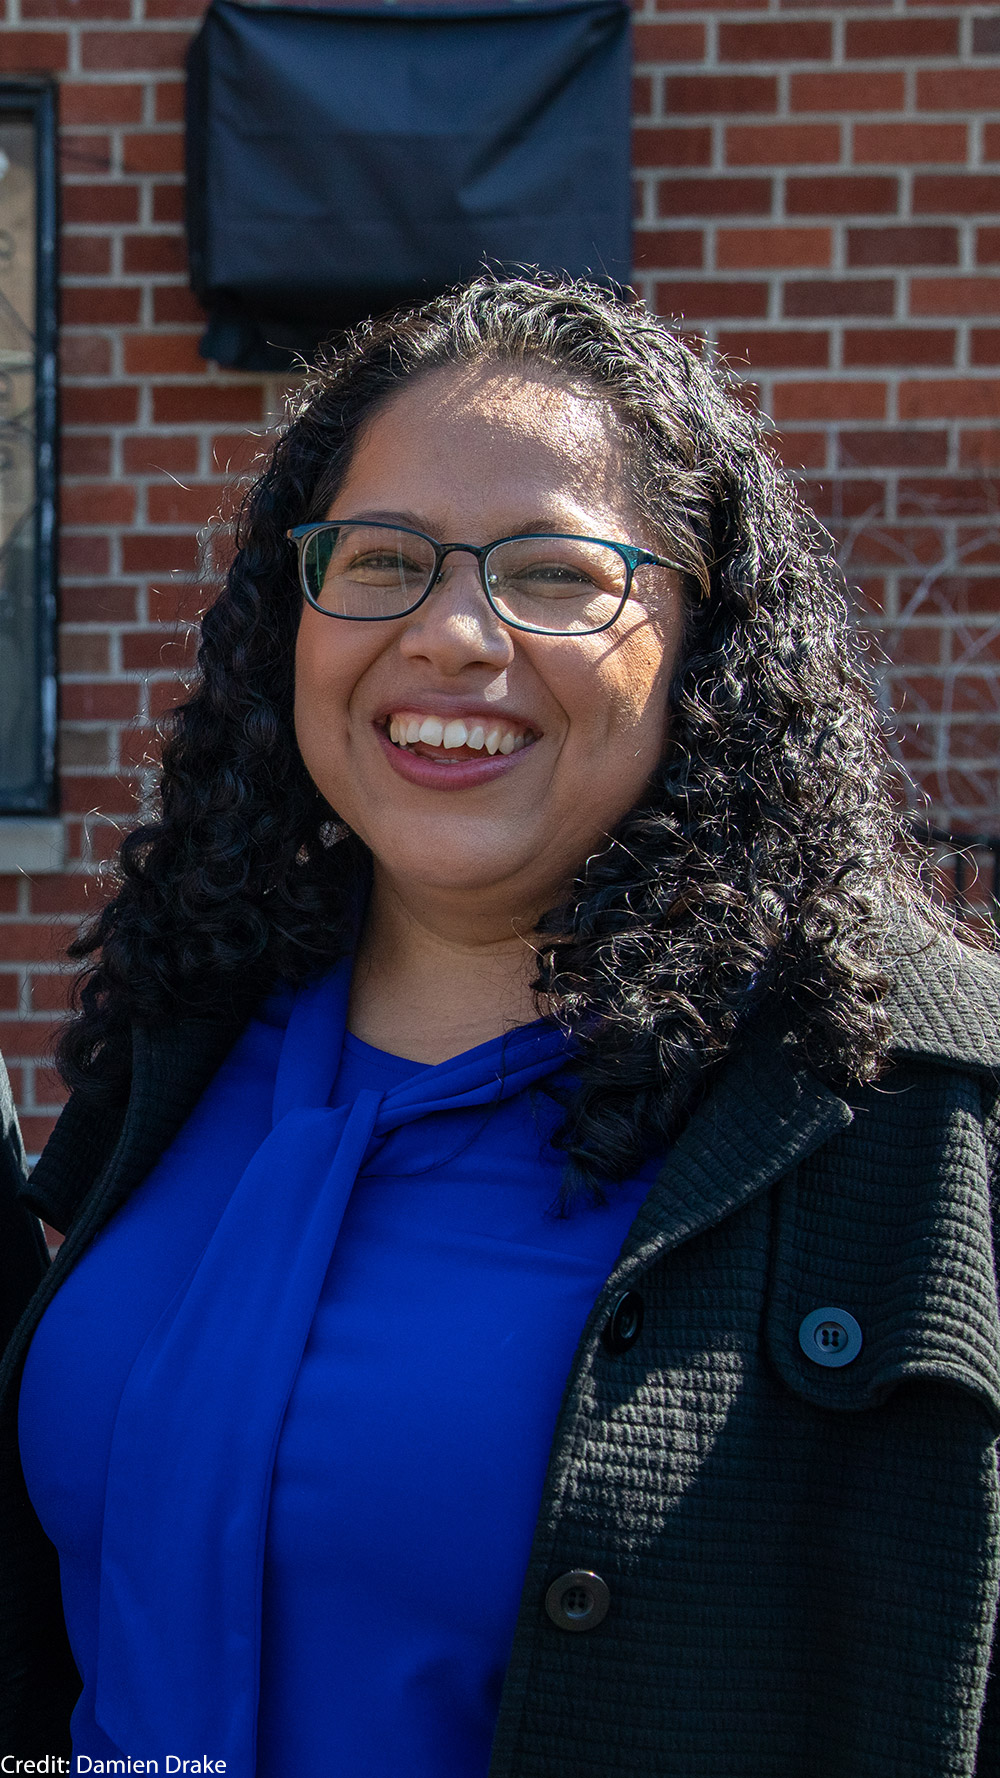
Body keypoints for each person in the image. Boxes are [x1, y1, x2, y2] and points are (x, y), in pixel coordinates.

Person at [1, 272, 998, 1778]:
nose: (454, 634)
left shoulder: (904, 1106)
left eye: (553, 573)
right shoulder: (191, 1020)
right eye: (383, 560)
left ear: (701, 642)